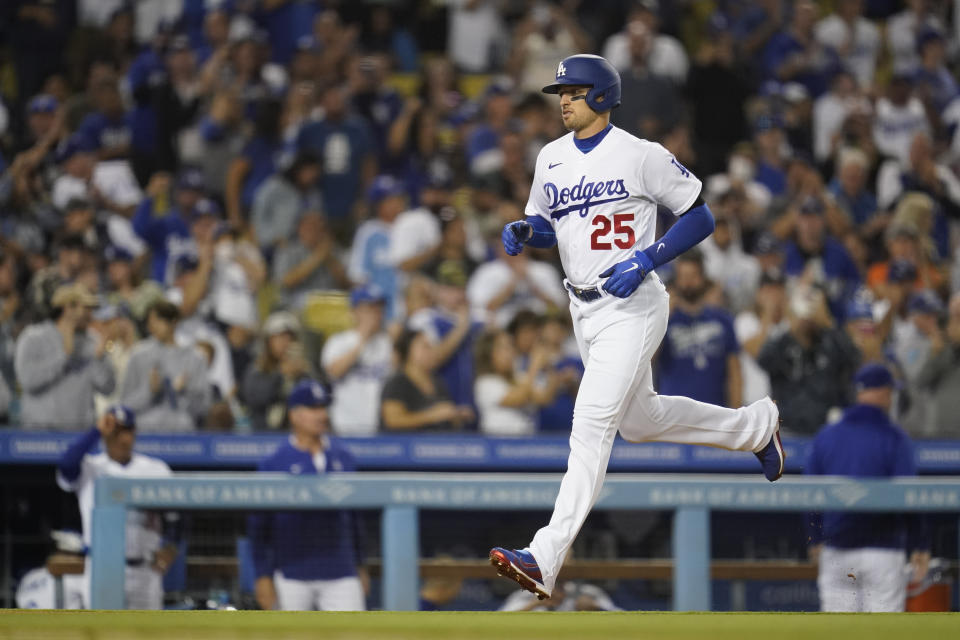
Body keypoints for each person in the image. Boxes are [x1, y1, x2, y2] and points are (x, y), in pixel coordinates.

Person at [489, 54, 783, 601]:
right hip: (582, 308)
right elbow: (556, 228)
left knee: (591, 423)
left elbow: (700, 215)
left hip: (635, 303)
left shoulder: (639, 154)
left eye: (573, 91)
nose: (563, 100)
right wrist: (528, 231)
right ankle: (755, 429)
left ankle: (544, 556)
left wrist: (648, 258)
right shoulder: (550, 158)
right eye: (560, 92)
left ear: (601, 96)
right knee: (640, 422)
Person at [805, 363, 931, 612]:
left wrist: (814, 537)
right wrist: (920, 543)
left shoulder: (827, 435)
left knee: (838, 635)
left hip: (837, 550)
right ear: (884, 393)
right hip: (883, 552)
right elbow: (911, 496)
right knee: (883, 635)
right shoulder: (895, 437)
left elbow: (809, 493)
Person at [247, 380, 368, 611]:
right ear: (294, 415)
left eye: (323, 408)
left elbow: (355, 519)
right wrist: (263, 575)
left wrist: (360, 565)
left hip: (340, 570)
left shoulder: (344, 457)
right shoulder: (274, 462)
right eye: (313, 409)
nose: (321, 415)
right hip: (292, 571)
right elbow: (258, 525)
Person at [55, 405, 177, 609]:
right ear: (106, 434)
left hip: (145, 570)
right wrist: (96, 430)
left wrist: (171, 546)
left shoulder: (156, 469)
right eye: (117, 432)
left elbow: (178, 515)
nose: (123, 439)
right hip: (101, 568)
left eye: (127, 431)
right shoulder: (90, 467)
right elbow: (66, 465)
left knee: (147, 635)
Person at [15, 284, 115, 430]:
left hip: (78, 432)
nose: (90, 314)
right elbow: (27, 381)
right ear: (68, 308)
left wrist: (99, 358)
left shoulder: (92, 341)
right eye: (86, 307)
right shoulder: (33, 337)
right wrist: (63, 357)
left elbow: (108, 389)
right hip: (39, 435)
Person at [120, 300, 212, 432]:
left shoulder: (195, 358)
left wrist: (183, 392)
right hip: (145, 431)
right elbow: (125, 404)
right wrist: (149, 391)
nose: (153, 327)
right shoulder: (138, 355)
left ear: (174, 322)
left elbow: (204, 407)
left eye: (158, 321)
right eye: (151, 322)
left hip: (183, 433)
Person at [320, 286, 393, 437]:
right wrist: (363, 339)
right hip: (346, 425)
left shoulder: (388, 342)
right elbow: (334, 372)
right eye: (369, 309)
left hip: (381, 427)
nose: (375, 314)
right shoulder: (339, 341)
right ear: (354, 312)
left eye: (379, 308)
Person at [380, 328, 474, 432]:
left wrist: (455, 414)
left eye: (431, 346)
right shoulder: (397, 382)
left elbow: (442, 413)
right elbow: (393, 421)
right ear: (407, 350)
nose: (432, 351)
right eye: (426, 347)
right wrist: (431, 416)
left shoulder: (437, 381)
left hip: (435, 445)